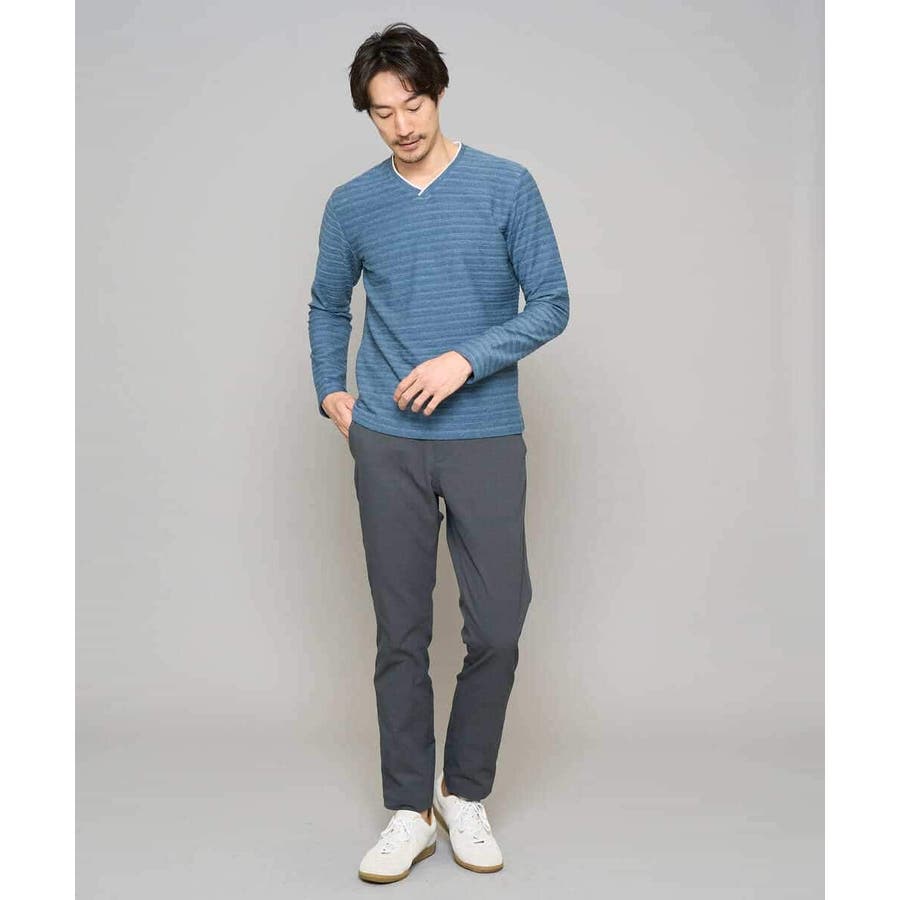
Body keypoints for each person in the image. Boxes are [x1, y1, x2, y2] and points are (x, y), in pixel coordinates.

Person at [307, 22, 570, 884]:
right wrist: (331, 389)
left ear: (438, 93)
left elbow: (552, 303)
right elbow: (327, 305)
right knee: (401, 633)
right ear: (368, 115)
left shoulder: (506, 185)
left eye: (413, 104)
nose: (402, 125)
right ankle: (408, 811)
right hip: (387, 442)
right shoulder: (353, 203)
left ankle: (464, 793)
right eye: (383, 112)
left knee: (497, 625)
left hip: (484, 435)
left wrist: (467, 359)